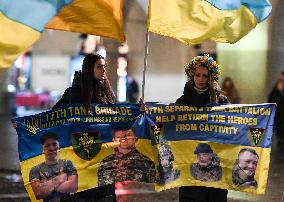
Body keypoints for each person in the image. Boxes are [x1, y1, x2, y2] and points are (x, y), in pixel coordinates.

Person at [52, 53, 116, 201]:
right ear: (89, 69)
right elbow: (53, 117)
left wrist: (139, 111)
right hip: (78, 158)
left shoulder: (107, 95)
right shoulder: (73, 94)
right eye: (99, 67)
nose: (103, 70)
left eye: (104, 67)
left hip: (102, 159)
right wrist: (27, 124)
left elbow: (119, 119)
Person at [176, 54, 229, 202]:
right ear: (192, 76)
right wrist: (146, 111)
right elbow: (168, 122)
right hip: (190, 165)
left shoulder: (221, 101)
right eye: (197, 75)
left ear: (211, 78)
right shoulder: (183, 101)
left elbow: (232, 124)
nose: (200, 79)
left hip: (215, 167)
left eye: (205, 76)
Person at [29, 132, 78, 202]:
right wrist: (59, 179)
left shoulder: (68, 163)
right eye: (47, 145)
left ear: (59, 146)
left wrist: (46, 185)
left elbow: (73, 187)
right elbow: (38, 193)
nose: (51, 148)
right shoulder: (35, 169)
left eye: (54, 144)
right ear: (42, 149)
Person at [268, 79, 284, 144]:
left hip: (282, 113)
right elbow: (269, 101)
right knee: (276, 126)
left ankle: (281, 137)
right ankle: (278, 138)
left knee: (281, 126)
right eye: (280, 85)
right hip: (276, 113)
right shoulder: (273, 93)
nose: (281, 86)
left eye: (282, 85)